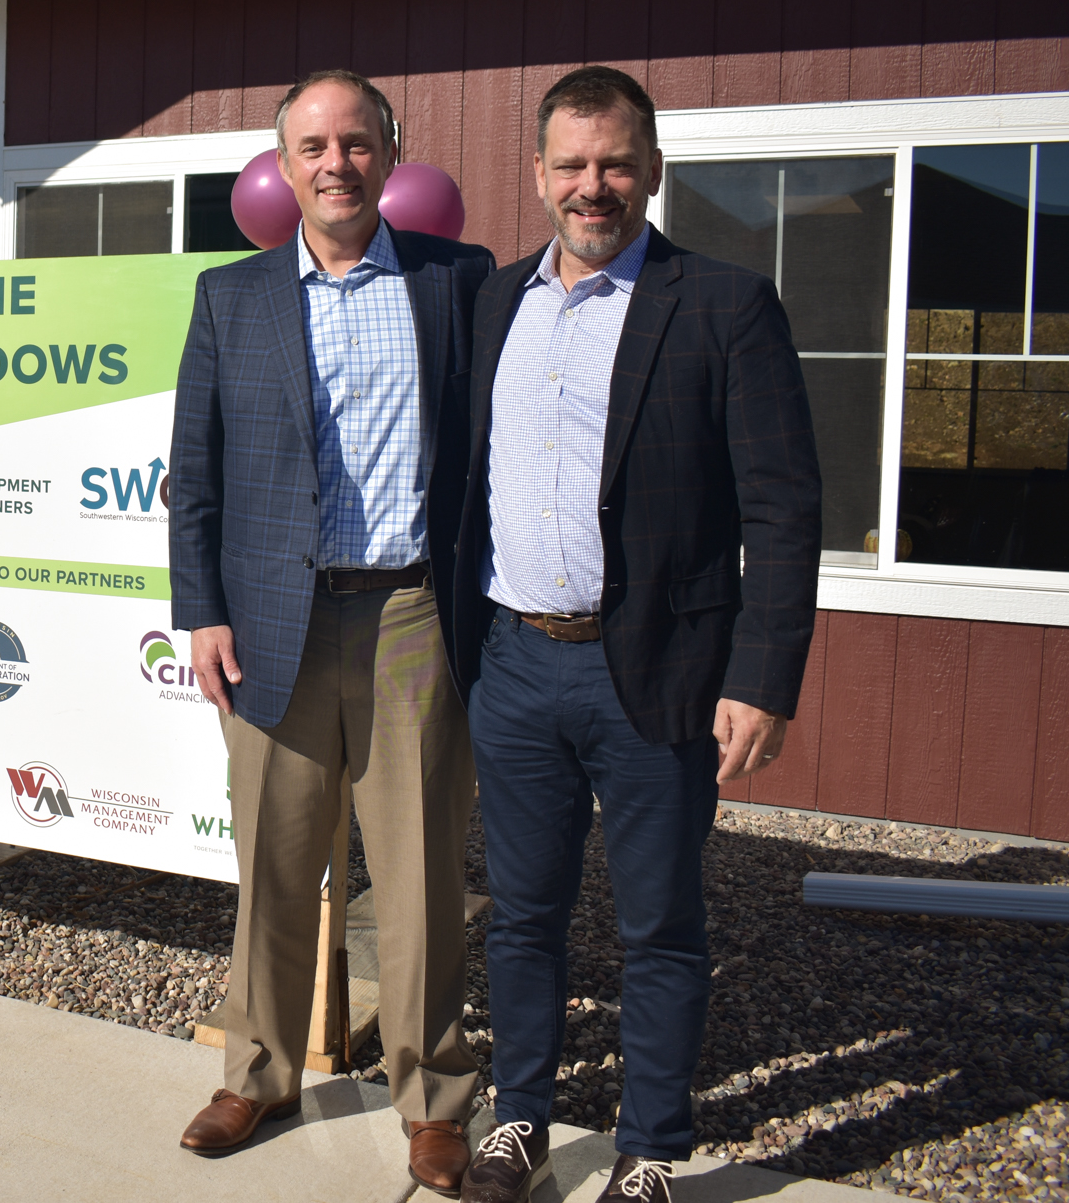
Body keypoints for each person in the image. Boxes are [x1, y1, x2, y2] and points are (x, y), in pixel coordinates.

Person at [451, 67, 820, 1203]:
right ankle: (518, 1117)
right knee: (520, 916)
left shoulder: (722, 305)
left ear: (651, 168)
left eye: (614, 162)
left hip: (654, 674)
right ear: (538, 175)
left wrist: (760, 677)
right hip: (513, 664)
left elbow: (782, 504)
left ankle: (649, 1147)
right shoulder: (493, 303)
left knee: (659, 923)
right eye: (569, 165)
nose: (592, 185)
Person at [169, 69, 492, 1191]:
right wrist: (197, 610)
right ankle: (255, 1072)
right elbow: (194, 475)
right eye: (311, 145)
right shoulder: (231, 296)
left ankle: (432, 1098)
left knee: (415, 875)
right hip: (273, 620)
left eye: (355, 142)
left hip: (411, 612)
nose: (334, 163)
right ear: (282, 163)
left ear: (388, 154)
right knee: (273, 860)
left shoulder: (458, 283)